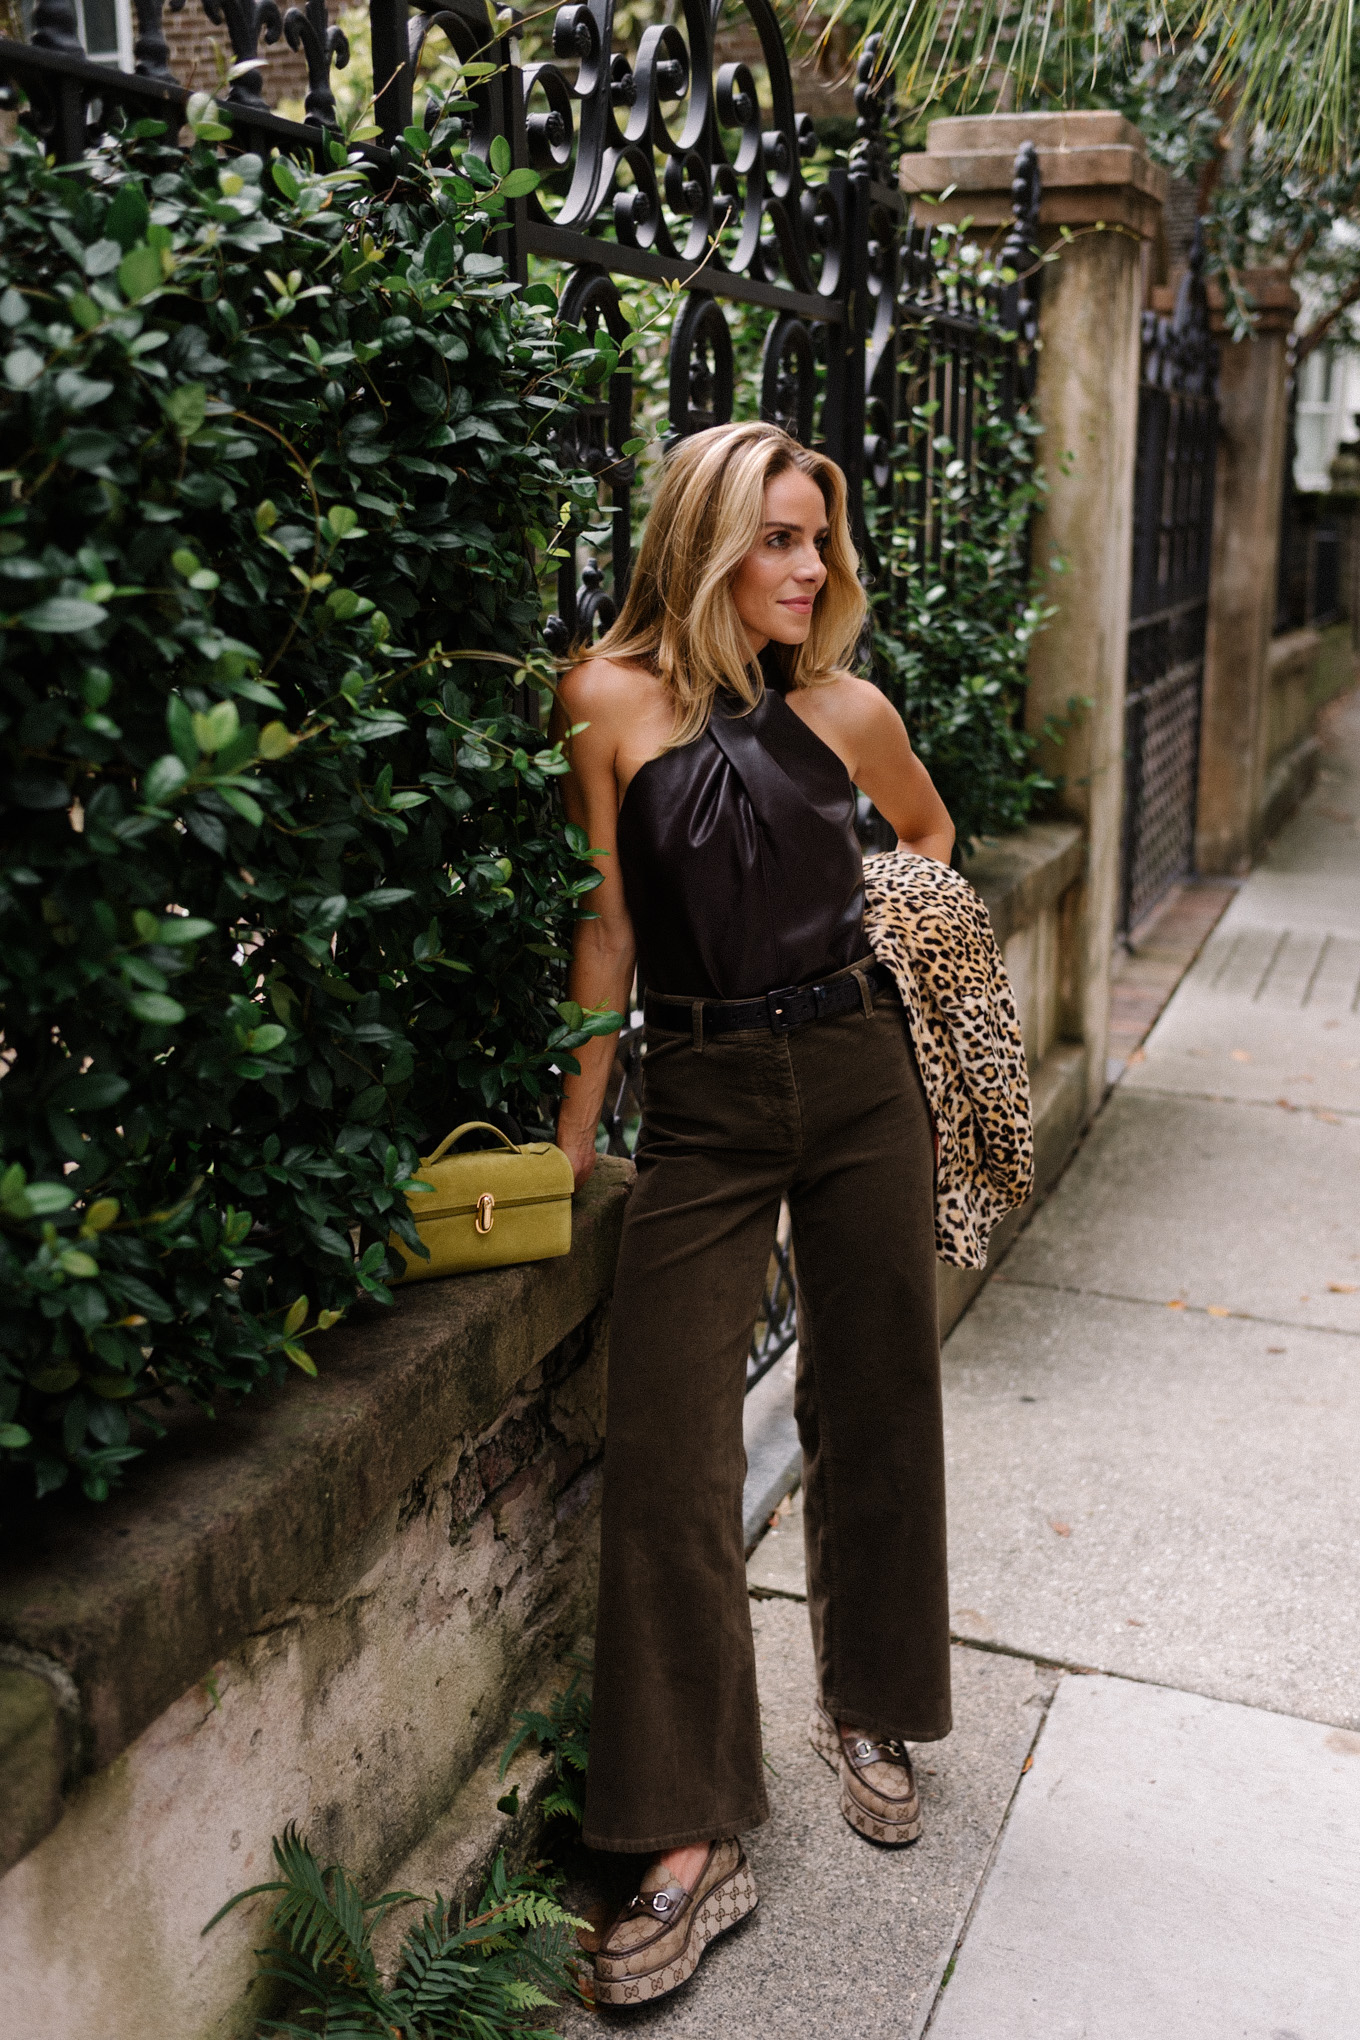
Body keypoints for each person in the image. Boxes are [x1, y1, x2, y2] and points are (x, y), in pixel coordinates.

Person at [552, 419, 955, 2009]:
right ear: (706, 541)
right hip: (706, 1104)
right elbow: (605, 932)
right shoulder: (604, 701)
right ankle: (690, 1829)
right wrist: (575, 1148)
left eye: (819, 543)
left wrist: (891, 953)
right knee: (668, 1447)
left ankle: (871, 1706)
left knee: (880, 1396)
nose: (809, 570)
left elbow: (925, 841)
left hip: (860, 1077)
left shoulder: (849, 711)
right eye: (779, 539)